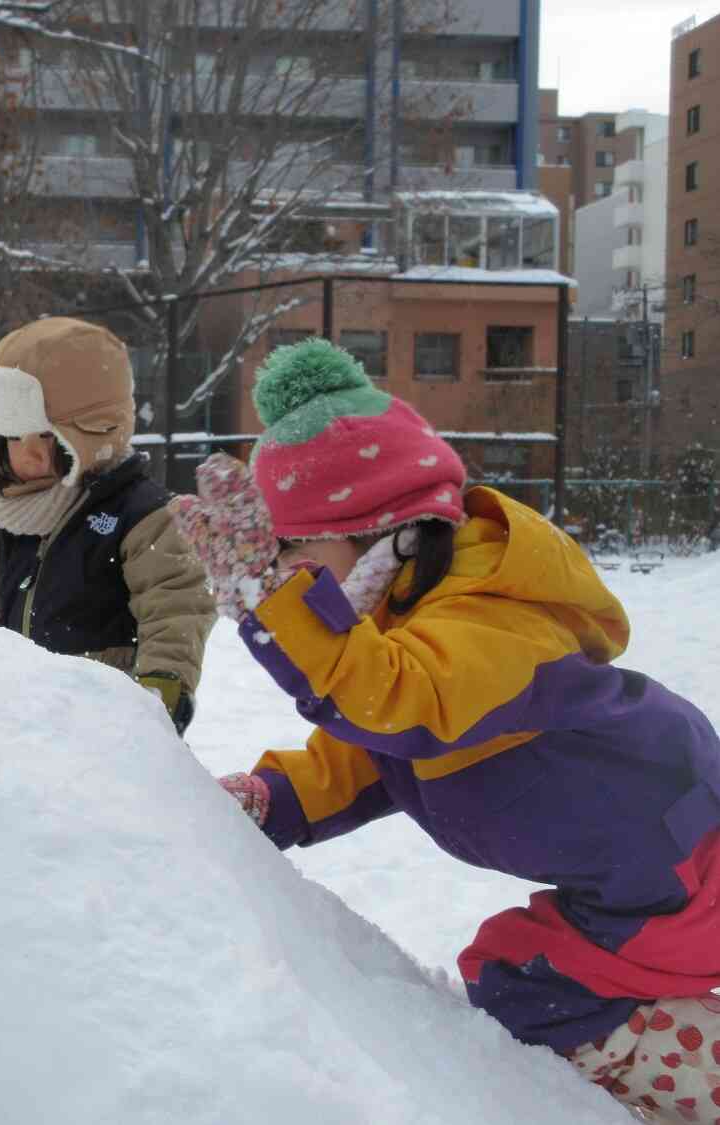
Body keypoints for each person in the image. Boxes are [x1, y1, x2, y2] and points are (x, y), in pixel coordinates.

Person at [172, 337, 720, 1122]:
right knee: (516, 977)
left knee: (531, 990)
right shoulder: (403, 619)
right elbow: (372, 749)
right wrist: (276, 796)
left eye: (294, 548)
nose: (287, 568)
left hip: (681, 860)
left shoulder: (486, 612)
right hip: (644, 860)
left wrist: (274, 602)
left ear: (377, 529)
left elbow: (402, 704)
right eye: (277, 554)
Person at [0, 317, 216, 733]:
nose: (27, 454)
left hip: (103, 717)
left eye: (46, 437)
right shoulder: (1, 519)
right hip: (11, 715)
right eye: (14, 437)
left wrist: (163, 690)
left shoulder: (143, 516)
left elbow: (174, 609)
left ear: (93, 429)